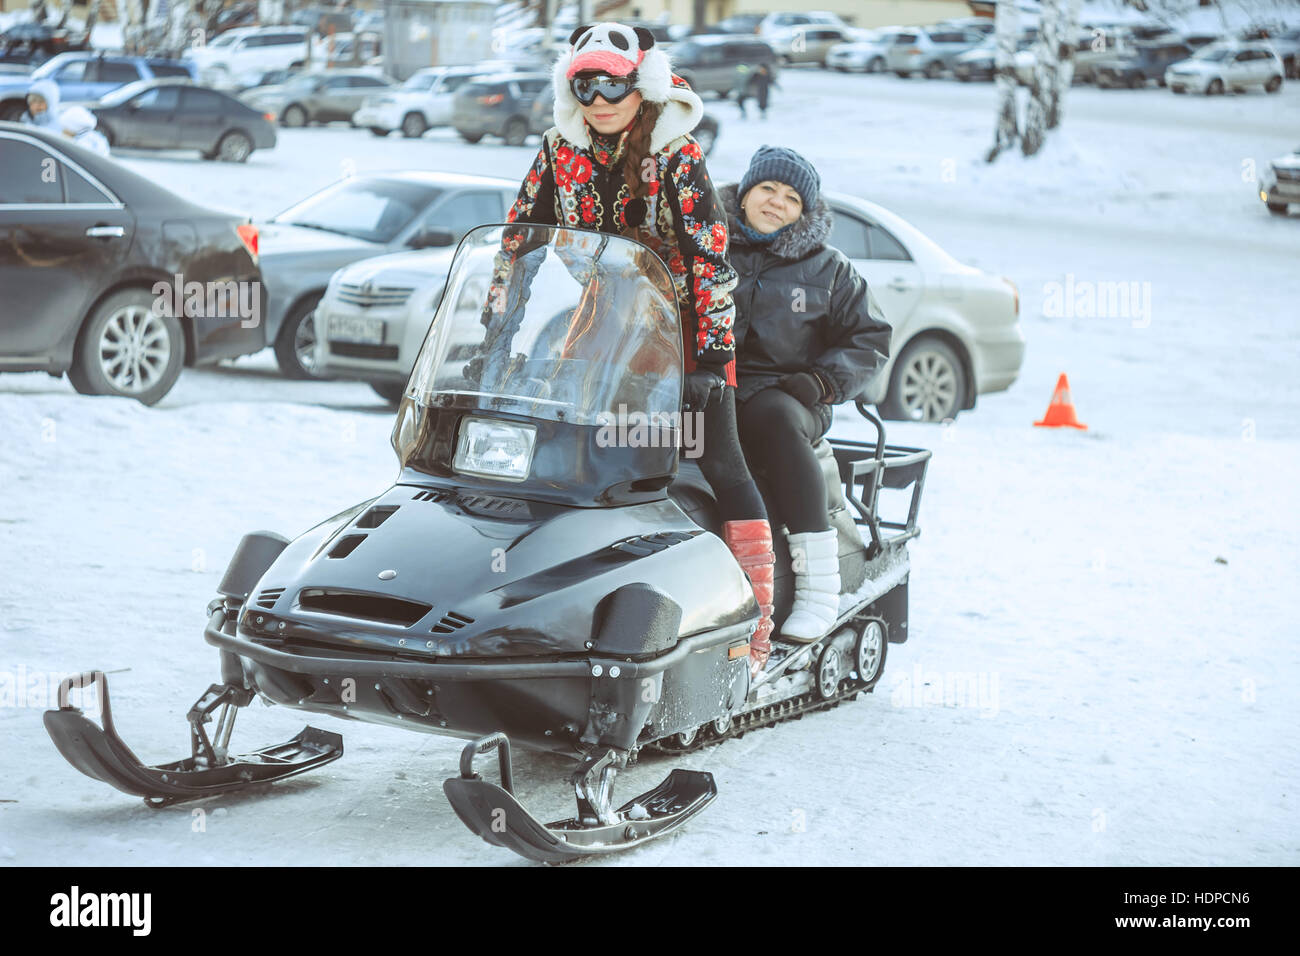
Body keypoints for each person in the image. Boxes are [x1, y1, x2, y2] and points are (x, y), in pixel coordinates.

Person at [498, 21, 777, 674]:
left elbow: (709, 257)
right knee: (566, 456)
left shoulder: (675, 153)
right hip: (601, 321)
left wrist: (708, 359)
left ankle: (753, 632)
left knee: (719, 460)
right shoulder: (558, 149)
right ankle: (557, 618)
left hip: (682, 325)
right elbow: (518, 241)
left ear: (640, 84)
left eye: (612, 83)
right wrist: (497, 332)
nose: (598, 98)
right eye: (583, 83)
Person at [724, 146, 892, 642]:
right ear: (746, 192)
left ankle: (819, 586)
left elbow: (872, 339)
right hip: (713, 387)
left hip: (790, 394)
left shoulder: (828, 268)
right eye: (768, 189)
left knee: (773, 417)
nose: (777, 202)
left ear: (804, 212)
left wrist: (822, 381)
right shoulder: (707, 244)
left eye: (792, 198)